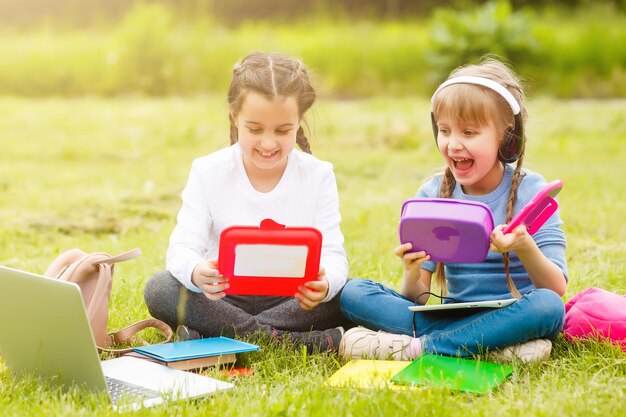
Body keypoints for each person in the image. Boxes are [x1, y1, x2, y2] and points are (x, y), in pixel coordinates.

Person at [339, 58, 568, 363]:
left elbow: (555, 288)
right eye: (445, 131)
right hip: (449, 316)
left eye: (469, 133)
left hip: (513, 313)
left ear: (506, 135)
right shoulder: (432, 194)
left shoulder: (530, 192)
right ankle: (488, 346)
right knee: (354, 292)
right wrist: (411, 272)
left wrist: (524, 245)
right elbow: (416, 298)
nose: (453, 144)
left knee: (548, 307)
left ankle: (420, 348)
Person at [144, 52, 352, 352]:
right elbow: (181, 249)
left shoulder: (318, 174)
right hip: (223, 297)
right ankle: (290, 342)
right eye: (255, 129)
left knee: (347, 295)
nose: (268, 143)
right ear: (234, 116)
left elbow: (334, 255)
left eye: (283, 131)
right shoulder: (208, 171)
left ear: (299, 121)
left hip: (291, 299)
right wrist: (195, 271)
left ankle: (212, 337)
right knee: (160, 289)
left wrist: (326, 284)